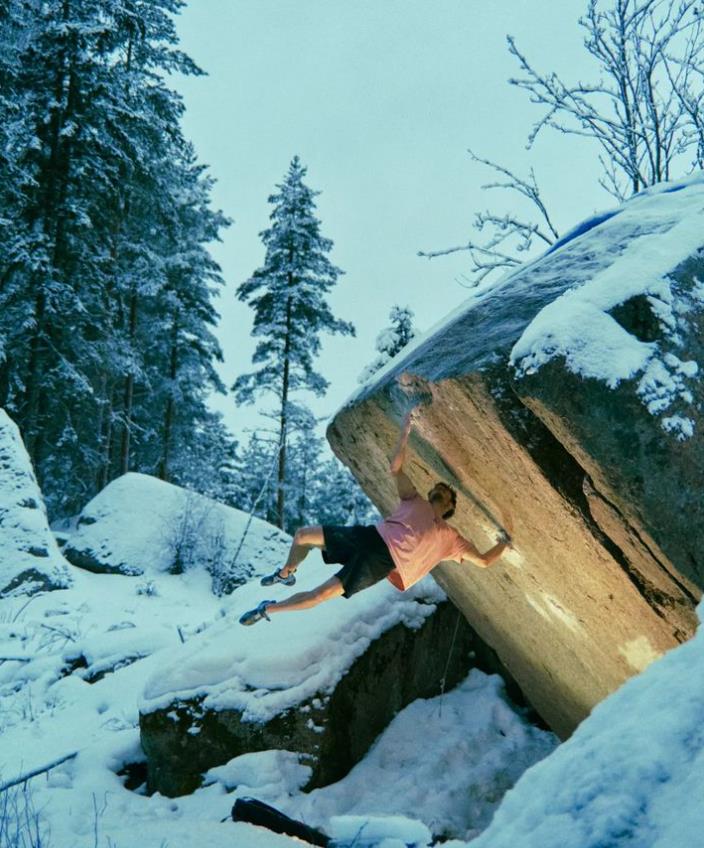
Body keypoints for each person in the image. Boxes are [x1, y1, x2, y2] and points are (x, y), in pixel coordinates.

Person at [239, 399, 512, 626]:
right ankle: (286, 573)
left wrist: (504, 543)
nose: (438, 489)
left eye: (444, 491)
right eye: (436, 487)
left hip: (380, 565)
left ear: (451, 505)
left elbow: (485, 561)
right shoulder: (413, 499)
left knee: (320, 594)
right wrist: (406, 429)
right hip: (369, 537)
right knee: (302, 535)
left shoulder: (451, 538)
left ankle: (267, 609)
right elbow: (395, 467)